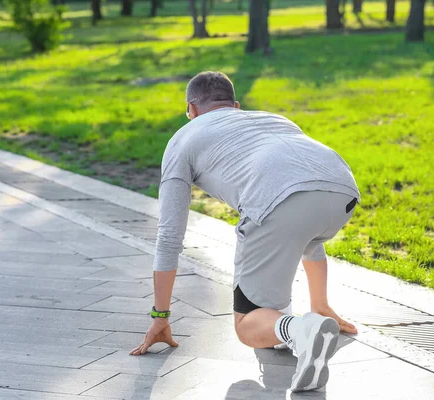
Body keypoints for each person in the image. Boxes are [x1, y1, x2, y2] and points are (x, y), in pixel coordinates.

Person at [130, 71, 360, 392]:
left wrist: (160, 316)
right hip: (343, 190)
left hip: (279, 203)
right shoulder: (274, 120)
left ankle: (303, 329)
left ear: (191, 110)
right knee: (295, 222)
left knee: (247, 326)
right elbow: (303, 221)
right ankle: (307, 323)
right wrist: (320, 302)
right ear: (235, 106)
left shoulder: (183, 138)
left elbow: (170, 237)